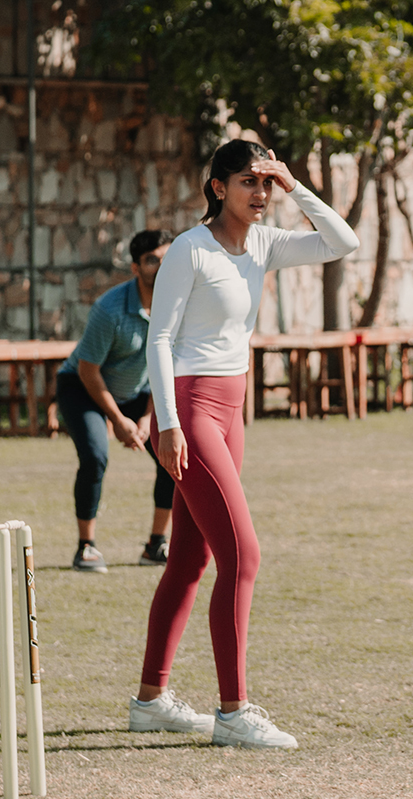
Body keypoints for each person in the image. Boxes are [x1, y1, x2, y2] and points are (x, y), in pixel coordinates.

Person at [129, 140, 360, 747]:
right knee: (243, 555)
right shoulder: (190, 249)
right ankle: (233, 712)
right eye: (248, 182)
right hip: (190, 409)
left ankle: (150, 700)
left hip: (231, 409)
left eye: (264, 182)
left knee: (189, 559)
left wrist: (293, 182)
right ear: (218, 188)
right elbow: (159, 339)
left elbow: (343, 242)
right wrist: (168, 423)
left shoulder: (263, 241)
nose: (260, 194)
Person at [56, 229, 175, 572]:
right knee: (95, 455)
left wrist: (148, 418)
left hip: (138, 393)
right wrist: (117, 420)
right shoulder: (110, 310)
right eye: (152, 260)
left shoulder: (178, 307)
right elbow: (88, 371)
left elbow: (168, 367)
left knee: (171, 455)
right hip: (82, 387)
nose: (161, 266)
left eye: (167, 259)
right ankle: (86, 548)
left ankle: (156, 545)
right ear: (136, 267)